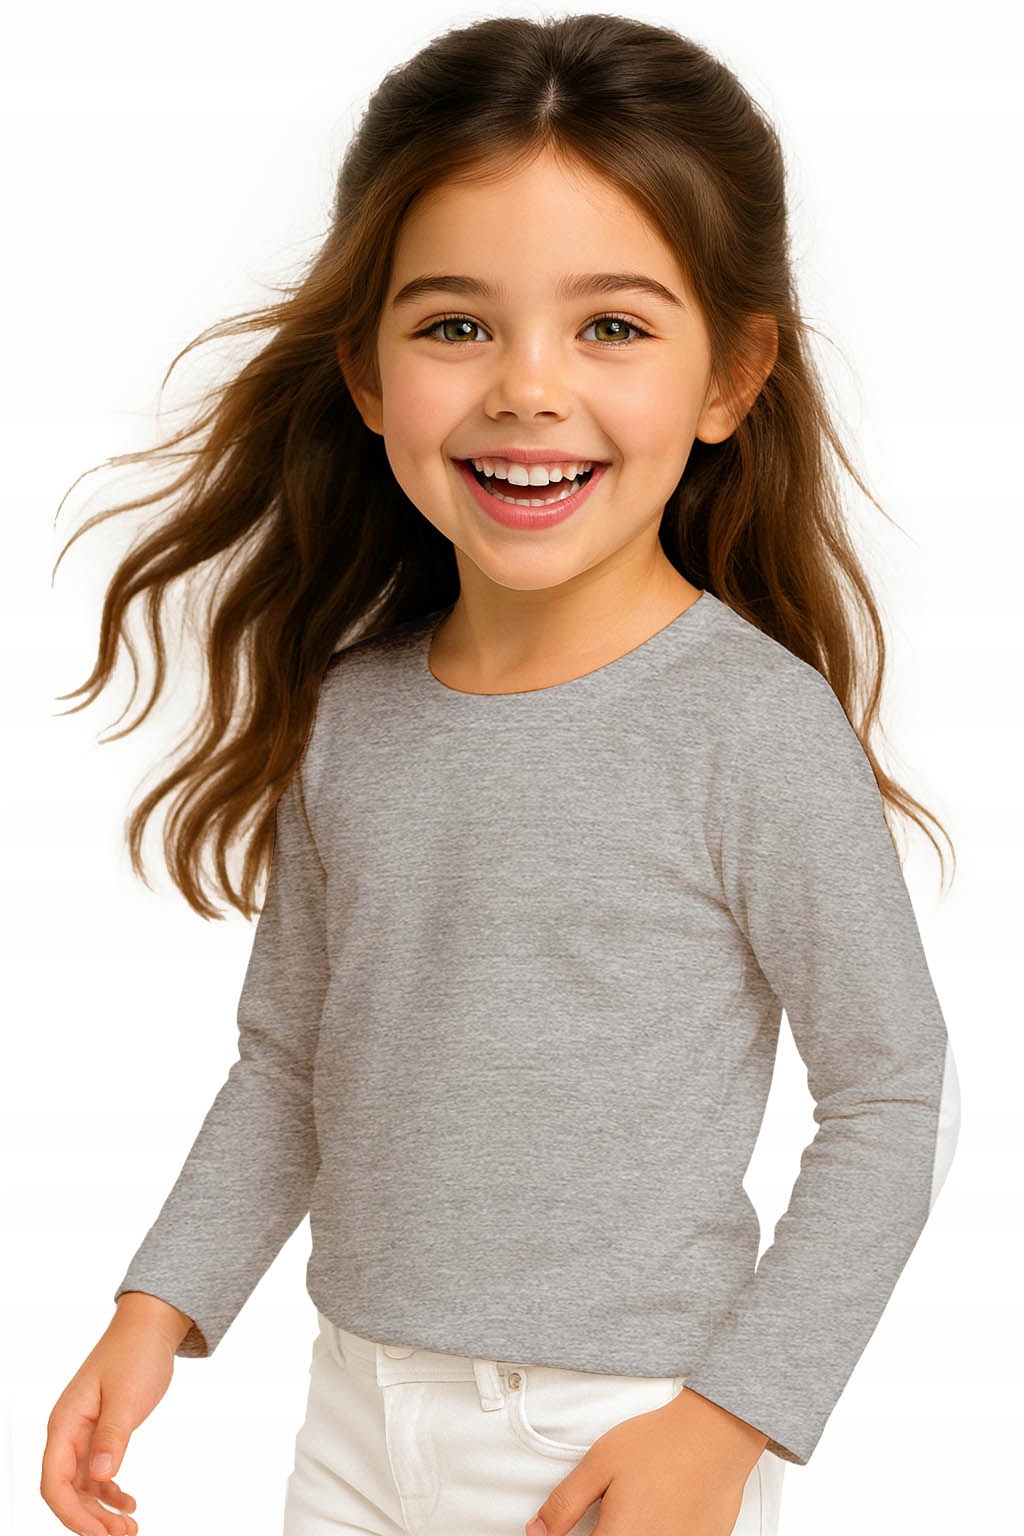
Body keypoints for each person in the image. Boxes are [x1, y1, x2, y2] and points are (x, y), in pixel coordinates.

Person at [40, 13, 962, 1536]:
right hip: (352, 1416)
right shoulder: (353, 715)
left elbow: (891, 1094)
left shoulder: (750, 727)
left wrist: (727, 1425)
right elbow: (287, 1064)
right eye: (457, 326)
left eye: (613, 327)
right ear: (365, 368)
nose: (528, 389)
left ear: (731, 376)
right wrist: (158, 1310)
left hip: (615, 1435)